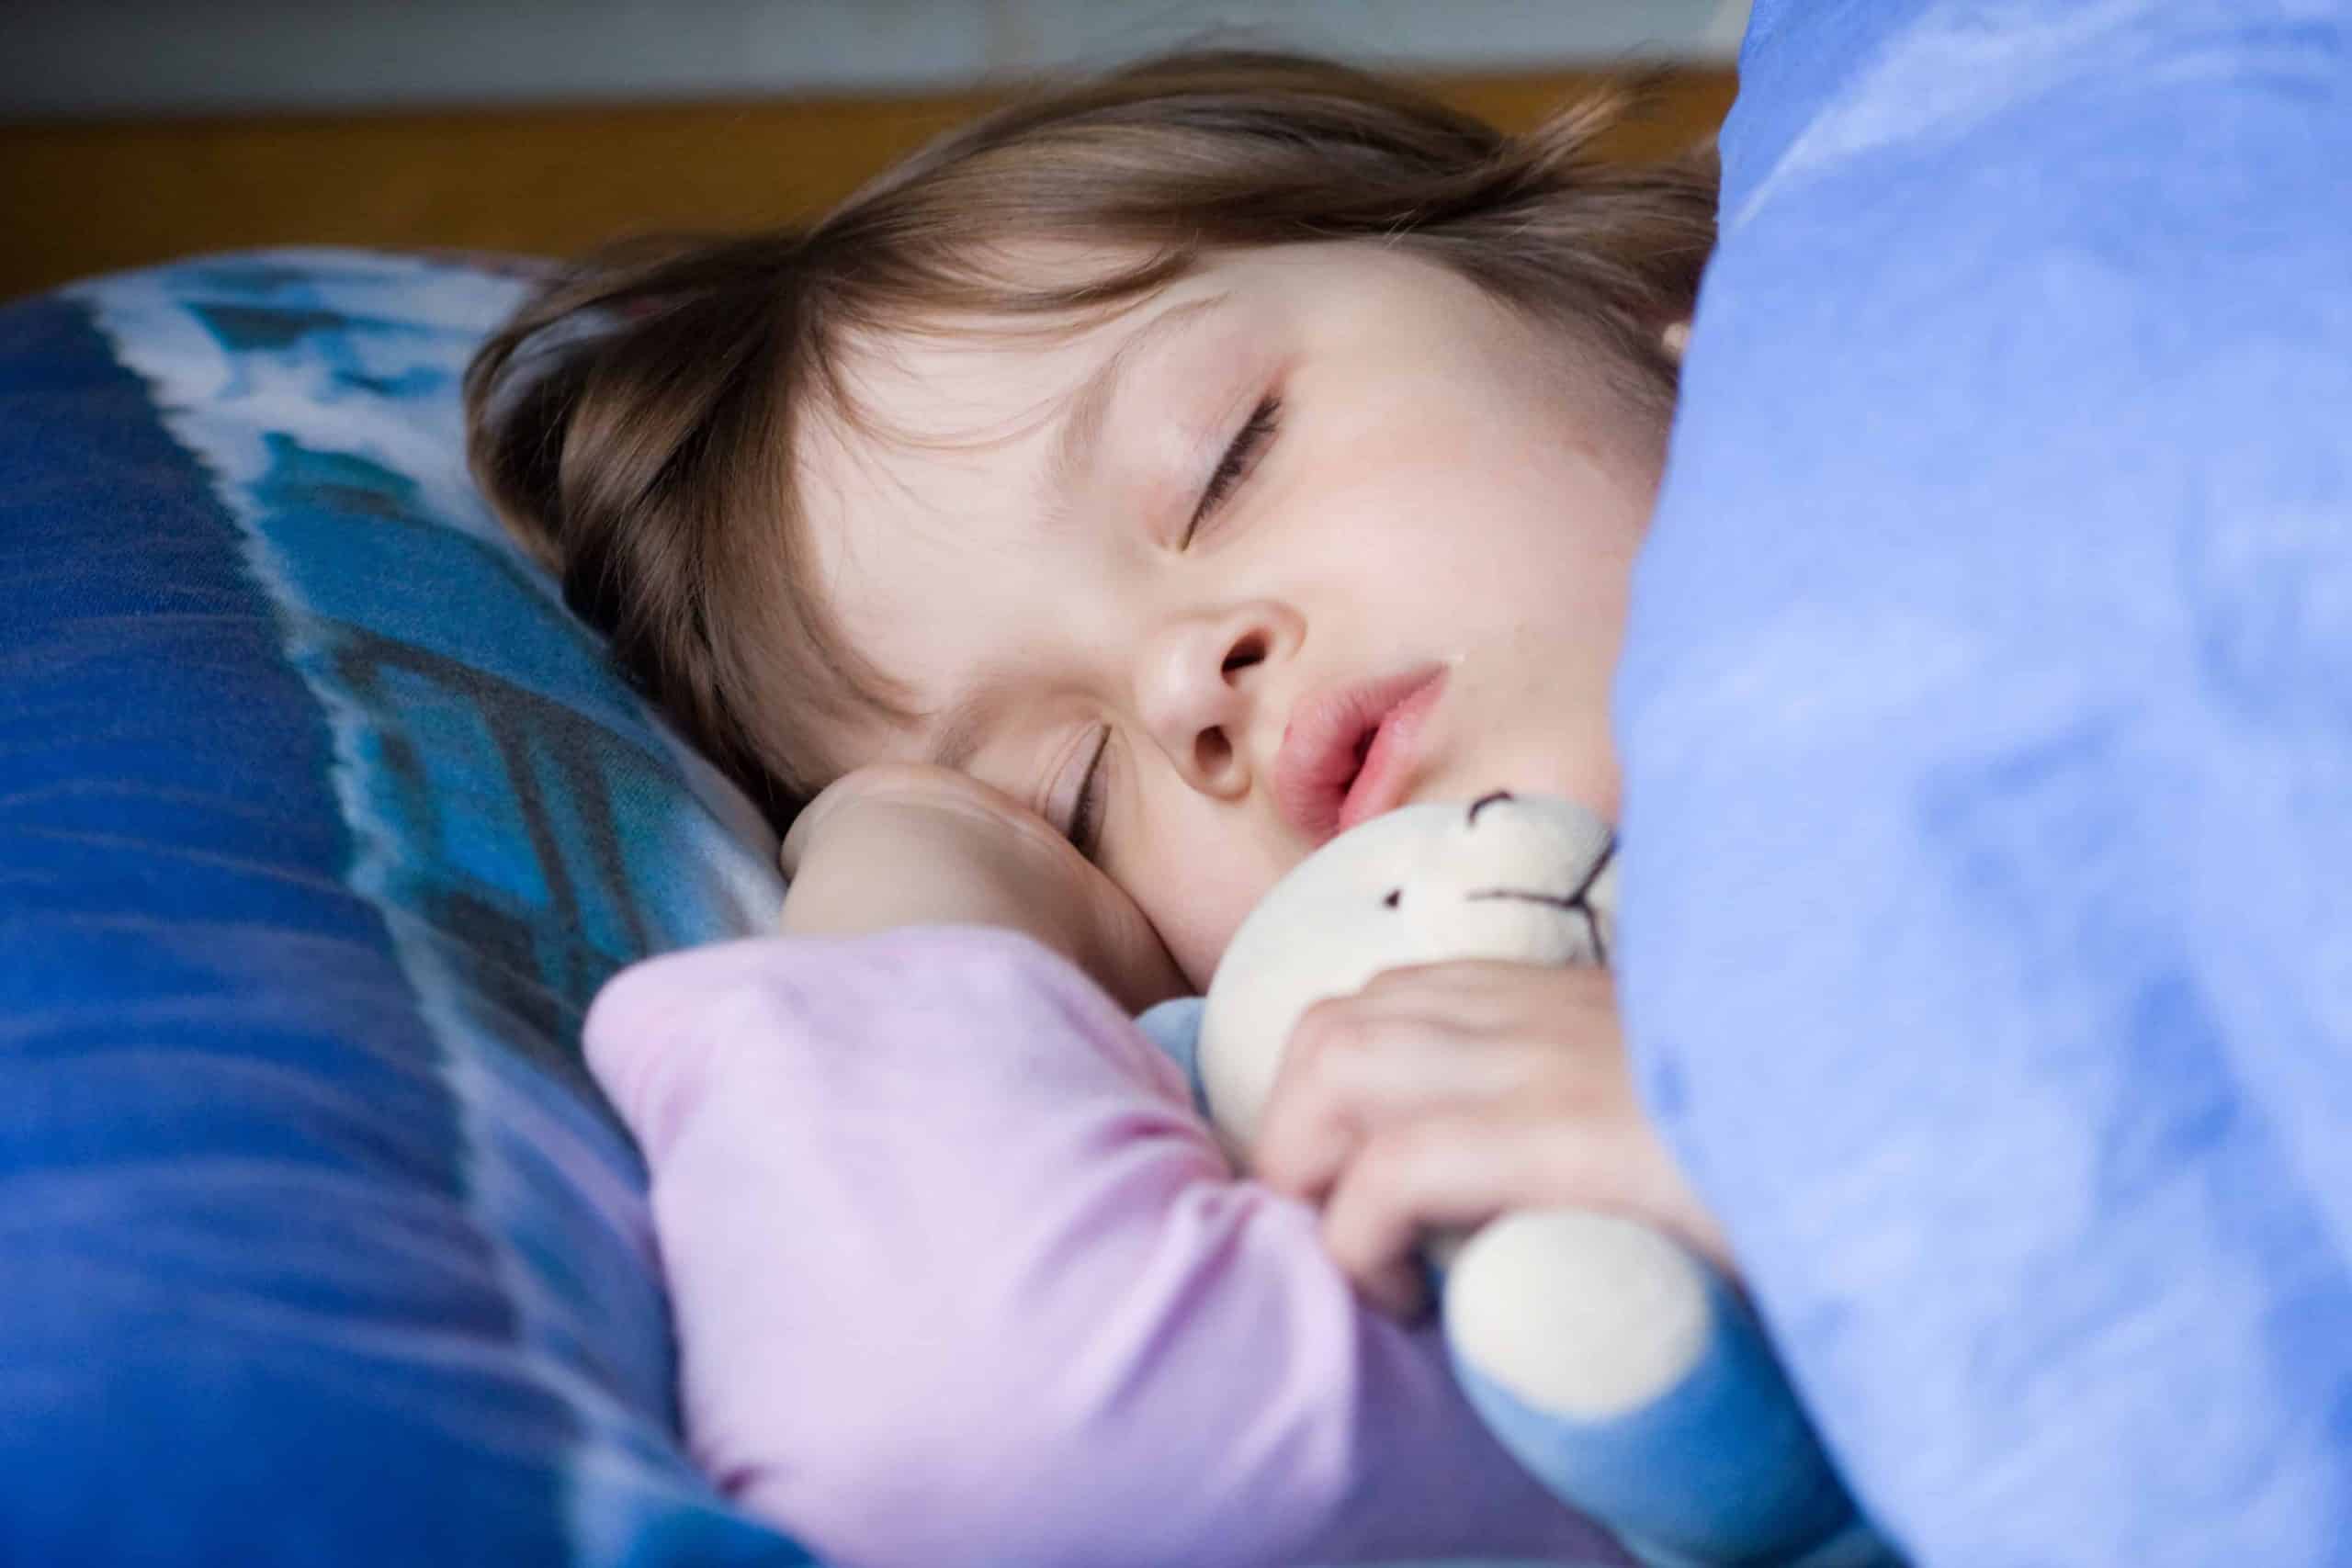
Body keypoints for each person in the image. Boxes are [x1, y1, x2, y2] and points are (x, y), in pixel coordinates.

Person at [464, 47, 1731, 1322]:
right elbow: (944, 1364)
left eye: (1226, 461)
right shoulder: (1387, 1204)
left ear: (1625, 287)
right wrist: (915, 863)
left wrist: (1786, 1135)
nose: (1182, 685)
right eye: (1073, 802)